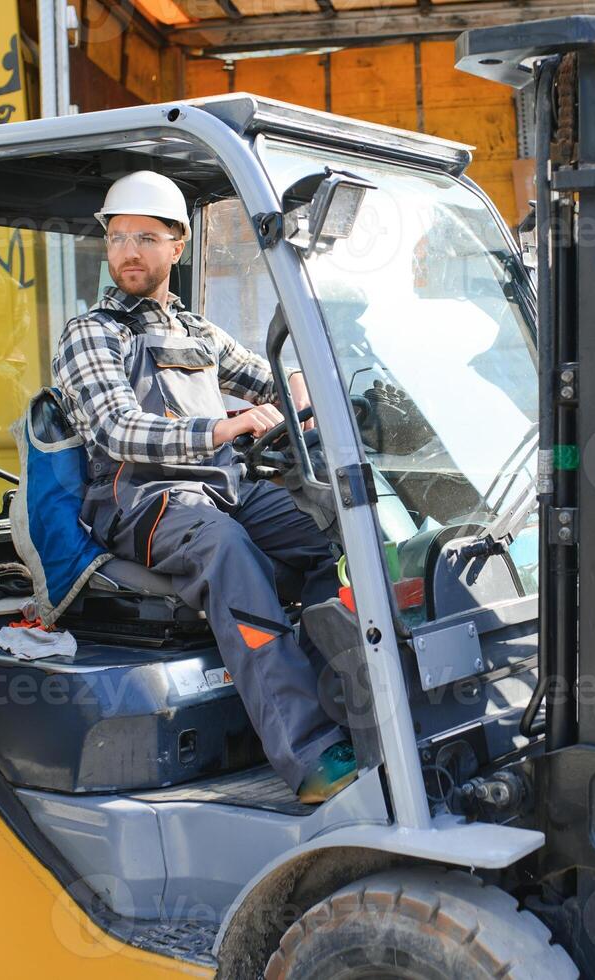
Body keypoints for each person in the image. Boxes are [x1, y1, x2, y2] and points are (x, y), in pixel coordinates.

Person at [52, 171, 356, 804]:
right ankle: (308, 752)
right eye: (117, 238)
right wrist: (224, 425)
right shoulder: (94, 332)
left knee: (326, 534)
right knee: (229, 553)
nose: (128, 252)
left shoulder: (197, 333)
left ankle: (347, 701)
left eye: (145, 237)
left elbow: (268, 380)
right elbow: (116, 429)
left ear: (177, 245)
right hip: (142, 500)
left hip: (222, 486)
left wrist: (310, 390)